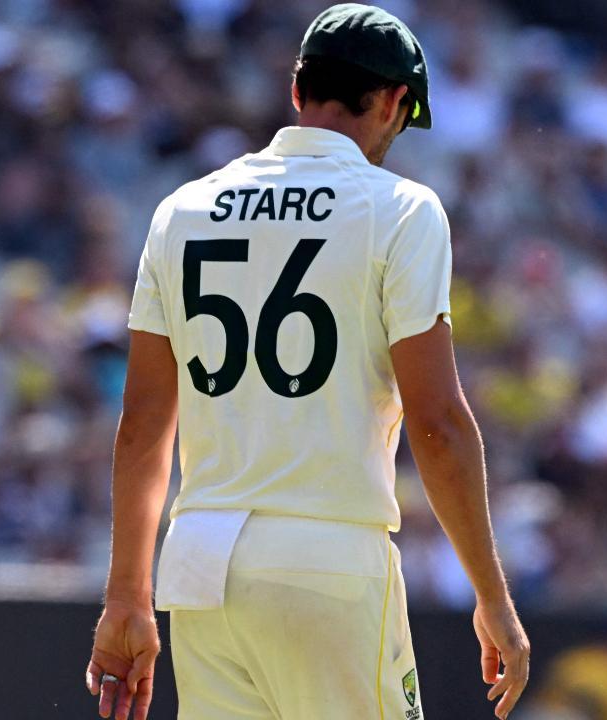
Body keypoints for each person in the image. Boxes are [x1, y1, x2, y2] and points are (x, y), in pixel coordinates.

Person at [83, 4, 531, 720]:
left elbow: (142, 425)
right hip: (329, 561)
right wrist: (493, 596)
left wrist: (127, 597)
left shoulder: (183, 210)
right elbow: (439, 424)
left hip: (200, 566)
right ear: (392, 102)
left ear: (298, 92)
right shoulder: (403, 212)